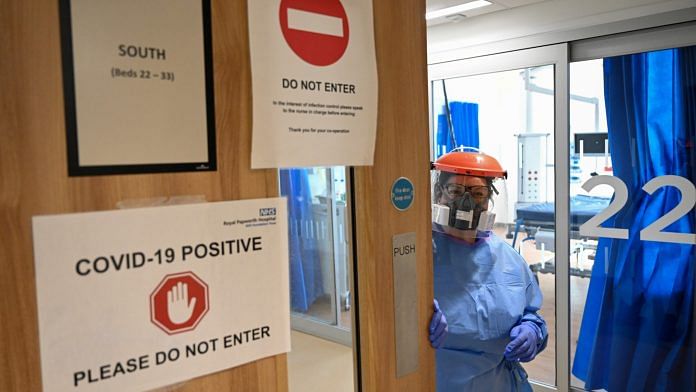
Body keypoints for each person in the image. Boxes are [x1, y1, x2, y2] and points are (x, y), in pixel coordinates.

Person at [427, 149, 548, 391]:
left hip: (498, 382)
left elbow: (531, 313)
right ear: (439, 195)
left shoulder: (508, 258)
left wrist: (532, 330)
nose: (467, 202)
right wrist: (415, 316)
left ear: (489, 200)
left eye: (478, 193)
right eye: (455, 191)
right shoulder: (421, 253)